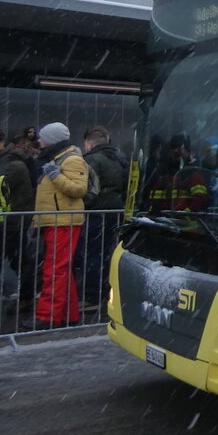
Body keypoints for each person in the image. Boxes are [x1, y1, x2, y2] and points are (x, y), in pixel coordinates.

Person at [29, 122, 87, 329]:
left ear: (53, 139)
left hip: (63, 220)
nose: (39, 141)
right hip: (57, 220)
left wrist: (55, 175)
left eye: (43, 137)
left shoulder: (71, 159)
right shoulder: (56, 158)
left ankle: (47, 317)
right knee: (62, 269)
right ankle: (68, 314)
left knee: (55, 269)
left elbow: (79, 189)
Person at [78, 125, 128, 309]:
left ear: (90, 143)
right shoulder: (120, 159)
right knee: (110, 253)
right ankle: (109, 292)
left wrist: (86, 205)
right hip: (116, 211)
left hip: (97, 213)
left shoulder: (91, 160)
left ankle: (91, 297)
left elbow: (88, 190)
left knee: (92, 254)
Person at [0, 131, 38, 319]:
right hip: (6, 222)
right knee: (17, 261)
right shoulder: (7, 163)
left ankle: (26, 299)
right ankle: (26, 298)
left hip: (10, 223)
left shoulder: (11, 166)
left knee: (19, 261)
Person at [144, 134, 210, 213]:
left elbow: (200, 199)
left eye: (179, 147)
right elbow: (154, 199)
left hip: (183, 224)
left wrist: (184, 215)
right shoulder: (163, 173)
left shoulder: (193, 172)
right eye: (173, 147)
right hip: (164, 222)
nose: (176, 151)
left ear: (187, 151)